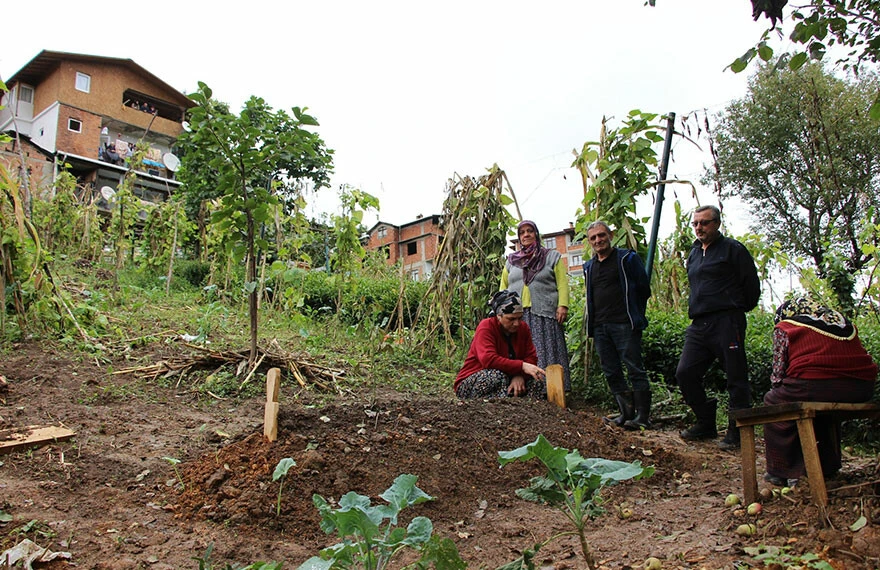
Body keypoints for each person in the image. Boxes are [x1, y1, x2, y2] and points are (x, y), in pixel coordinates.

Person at [762, 297, 877, 485]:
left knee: (773, 401)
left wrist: (779, 389)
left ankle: (780, 471)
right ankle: (827, 467)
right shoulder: (841, 322)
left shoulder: (787, 326)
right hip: (862, 388)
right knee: (823, 412)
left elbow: (777, 375)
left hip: (815, 385)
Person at [676, 205, 761, 450]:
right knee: (685, 373)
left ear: (717, 223)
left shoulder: (733, 249)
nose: (699, 228)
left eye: (704, 223)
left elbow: (751, 286)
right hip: (699, 323)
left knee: (735, 376)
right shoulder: (693, 252)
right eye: (695, 224)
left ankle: (738, 432)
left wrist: (735, 309)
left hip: (727, 320)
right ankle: (705, 422)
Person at [582, 221, 652, 429]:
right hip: (600, 326)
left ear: (611, 235)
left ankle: (643, 417)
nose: (598, 240)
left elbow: (643, 289)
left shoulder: (626, 259)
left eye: (601, 235)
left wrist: (634, 315)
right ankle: (625, 412)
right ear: (589, 241)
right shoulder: (589, 266)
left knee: (634, 368)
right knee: (611, 370)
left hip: (624, 323)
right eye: (593, 238)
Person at [500, 220, 570, 394]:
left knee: (548, 351)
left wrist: (563, 305)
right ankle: (526, 390)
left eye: (530, 231)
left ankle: (554, 390)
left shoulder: (551, 257)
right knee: (521, 351)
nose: (526, 235)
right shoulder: (511, 261)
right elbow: (503, 286)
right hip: (518, 316)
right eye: (522, 232)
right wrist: (501, 309)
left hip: (544, 314)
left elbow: (562, 283)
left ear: (536, 234)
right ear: (519, 237)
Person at [454, 290, 547, 399]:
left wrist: (520, 375)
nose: (517, 323)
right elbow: (488, 359)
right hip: (474, 381)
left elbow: (531, 357)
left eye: (519, 318)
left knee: (536, 381)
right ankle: (499, 406)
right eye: (511, 319)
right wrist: (522, 366)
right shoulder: (486, 327)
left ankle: (521, 410)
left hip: (509, 377)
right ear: (499, 315)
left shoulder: (523, 328)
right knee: (495, 376)